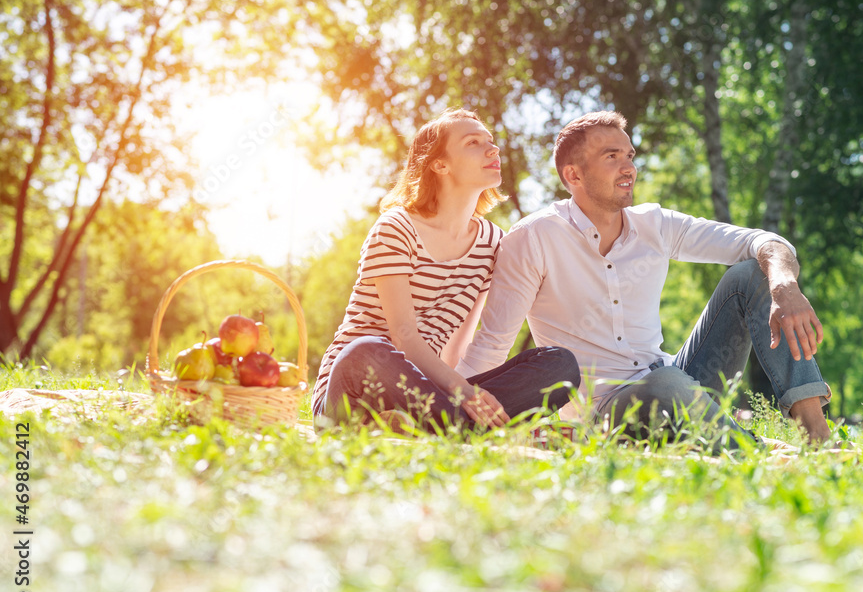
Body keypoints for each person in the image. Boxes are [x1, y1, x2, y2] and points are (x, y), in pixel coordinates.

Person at [456, 111, 831, 448]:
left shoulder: (656, 224)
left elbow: (762, 242)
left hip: (679, 382)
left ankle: (818, 440)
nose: (628, 168)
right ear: (573, 175)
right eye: (611, 157)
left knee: (752, 273)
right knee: (663, 385)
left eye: (630, 156)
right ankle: (752, 448)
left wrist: (784, 286)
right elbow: (492, 342)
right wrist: (456, 406)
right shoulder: (533, 237)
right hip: (606, 412)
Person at [312, 109, 580, 431]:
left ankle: (441, 427)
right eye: (473, 142)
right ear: (440, 165)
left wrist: (468, 393)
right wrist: (466, 394)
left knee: (559, 363)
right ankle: (464, 428)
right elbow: (404, 335)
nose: (492, 149)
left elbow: (458, 346)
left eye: (490, 142)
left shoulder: (491, 243)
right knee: (366, 351)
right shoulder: (397, 228)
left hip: (428, 393)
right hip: (355, 386)